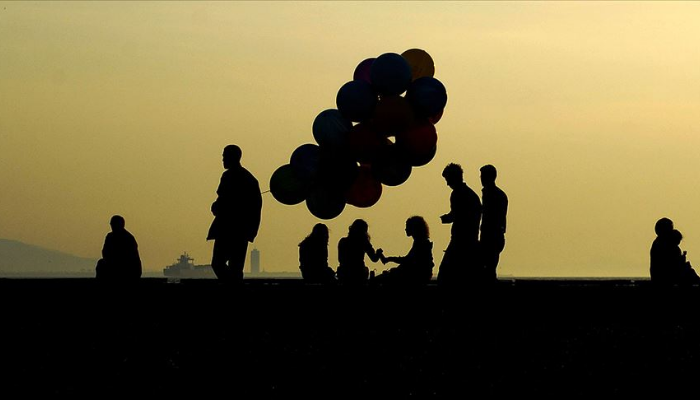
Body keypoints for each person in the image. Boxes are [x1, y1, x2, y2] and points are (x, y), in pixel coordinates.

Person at [207, 144, 263, 283]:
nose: (223, 159)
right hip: (243, 232)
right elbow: (256, 207)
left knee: (218, 264)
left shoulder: (228, 176)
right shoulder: (250, 179)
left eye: (224, 156)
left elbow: (223, 201)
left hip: (228, 230)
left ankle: (233, 287)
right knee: (235, 268)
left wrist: (216, 207)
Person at [437, 163, 482, 286]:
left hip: (460, 241)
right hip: (470, 240)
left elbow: (459, 214)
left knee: (445, 275)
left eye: (448, 179)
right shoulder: (471, 195)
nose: (447, 184)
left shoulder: (458, 194)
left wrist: (448, 218)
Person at [375, 216, 434, 285]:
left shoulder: (421, 243)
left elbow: (408, 261)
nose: (405, 229)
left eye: (408, 227)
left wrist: (390, 259)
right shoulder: (420, 241)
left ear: (414, 228)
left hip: (418, 276)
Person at [479, 164, 508, 283]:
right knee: (488, 269)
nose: (481, 179)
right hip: (494, 235)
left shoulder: (493, 195)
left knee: (487, 269)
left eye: (483, 176)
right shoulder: (498, 194)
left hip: (491, 235)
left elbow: (492, 216)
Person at [95, 215, 142, 281]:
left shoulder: (128, 238)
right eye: (111, 224)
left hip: (128, 268)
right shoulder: (109, 237)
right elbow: (105, 252)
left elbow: (130, 257)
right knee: (101, 264)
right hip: (113, 264)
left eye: (114, 224)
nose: (112, 226)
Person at [336, 219, 381, 284]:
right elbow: (374, 259)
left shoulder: (342, 241)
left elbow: (340, 259)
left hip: (343, 274)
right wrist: (378, 253)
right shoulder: (364, 242)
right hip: (359, 274)